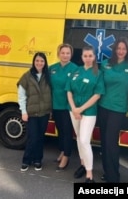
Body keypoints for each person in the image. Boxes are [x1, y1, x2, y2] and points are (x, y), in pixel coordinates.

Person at [98, 37, 128, 183]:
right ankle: (107, 172)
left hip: (118, 109)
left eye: (123, 49)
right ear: (114, 50)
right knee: (104, 142)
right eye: (118, 48)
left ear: (127, 51)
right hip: (103, 107)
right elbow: (99, 85)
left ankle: (114, 177)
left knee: (111, 142)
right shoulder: (105, 64)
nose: (121, 51)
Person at [65, 45, 105, 183]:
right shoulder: (77, 71)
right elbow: (68, 90)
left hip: (88, 111)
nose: (88, 58)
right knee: (78, 138)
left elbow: (97, 95)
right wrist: (74, 108)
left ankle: (89, 174)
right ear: (82, 57)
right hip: (73, 109)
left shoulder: (98, 73)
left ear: (94, 57)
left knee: (84, 140)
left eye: (90, 56)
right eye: (85, 56)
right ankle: (82, 164)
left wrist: (80, 109)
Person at [17, 52, 52, 172]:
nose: (39, 63)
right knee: (32, 137)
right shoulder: (27, 76)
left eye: (42, 61)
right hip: (31, 113)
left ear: (45, 63)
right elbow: (21, 96)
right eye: (37, 61)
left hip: (44, 112)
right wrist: (23, 112)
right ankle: (26, 160)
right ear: (33, 62)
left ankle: (38, 160)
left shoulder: (48, 76)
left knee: (40, 137)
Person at [49, 43, 78, 171]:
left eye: (68, 53)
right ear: (58, 54)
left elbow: (76, 89)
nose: (65, 55)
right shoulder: (52, 68)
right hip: (55, 104)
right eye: (63, 53)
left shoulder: (75, 69)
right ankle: (62, 151)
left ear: (71, 55)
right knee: (59, 130)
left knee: (67, 132)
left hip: (68, 106)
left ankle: (66, 156)